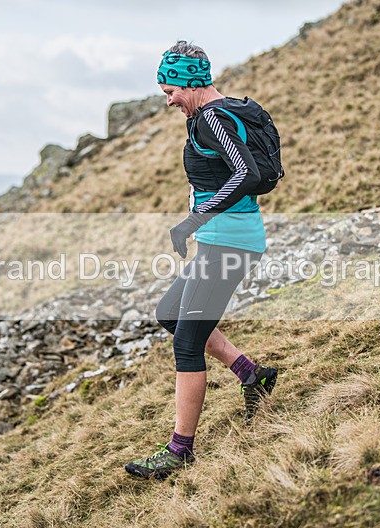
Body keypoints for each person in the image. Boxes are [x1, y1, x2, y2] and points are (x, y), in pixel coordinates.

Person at [125, 41, 279, 480]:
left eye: (170, 90)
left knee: (186, 344)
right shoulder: (214, 115)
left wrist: (192, 221)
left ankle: (179, 450)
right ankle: (253, 375)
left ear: (191, 82)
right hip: (222, 241)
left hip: (228, 244)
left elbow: (246, 175)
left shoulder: (211, 119)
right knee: (170, 315)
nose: (169, 100)